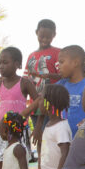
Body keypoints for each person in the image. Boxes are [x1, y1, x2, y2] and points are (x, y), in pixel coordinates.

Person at [25, 19, 61, 153]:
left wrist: (48, 76)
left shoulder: (58, 53)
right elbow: (25, 80)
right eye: (42, 36)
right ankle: (41, 167)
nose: (45, 39)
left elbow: (63, 75)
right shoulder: (31, 56)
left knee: (51, 138)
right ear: (36, 33)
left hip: (52, 105)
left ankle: (50, 167)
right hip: (35, 106)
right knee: (38, 136)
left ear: (54, 35)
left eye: (48, 36)